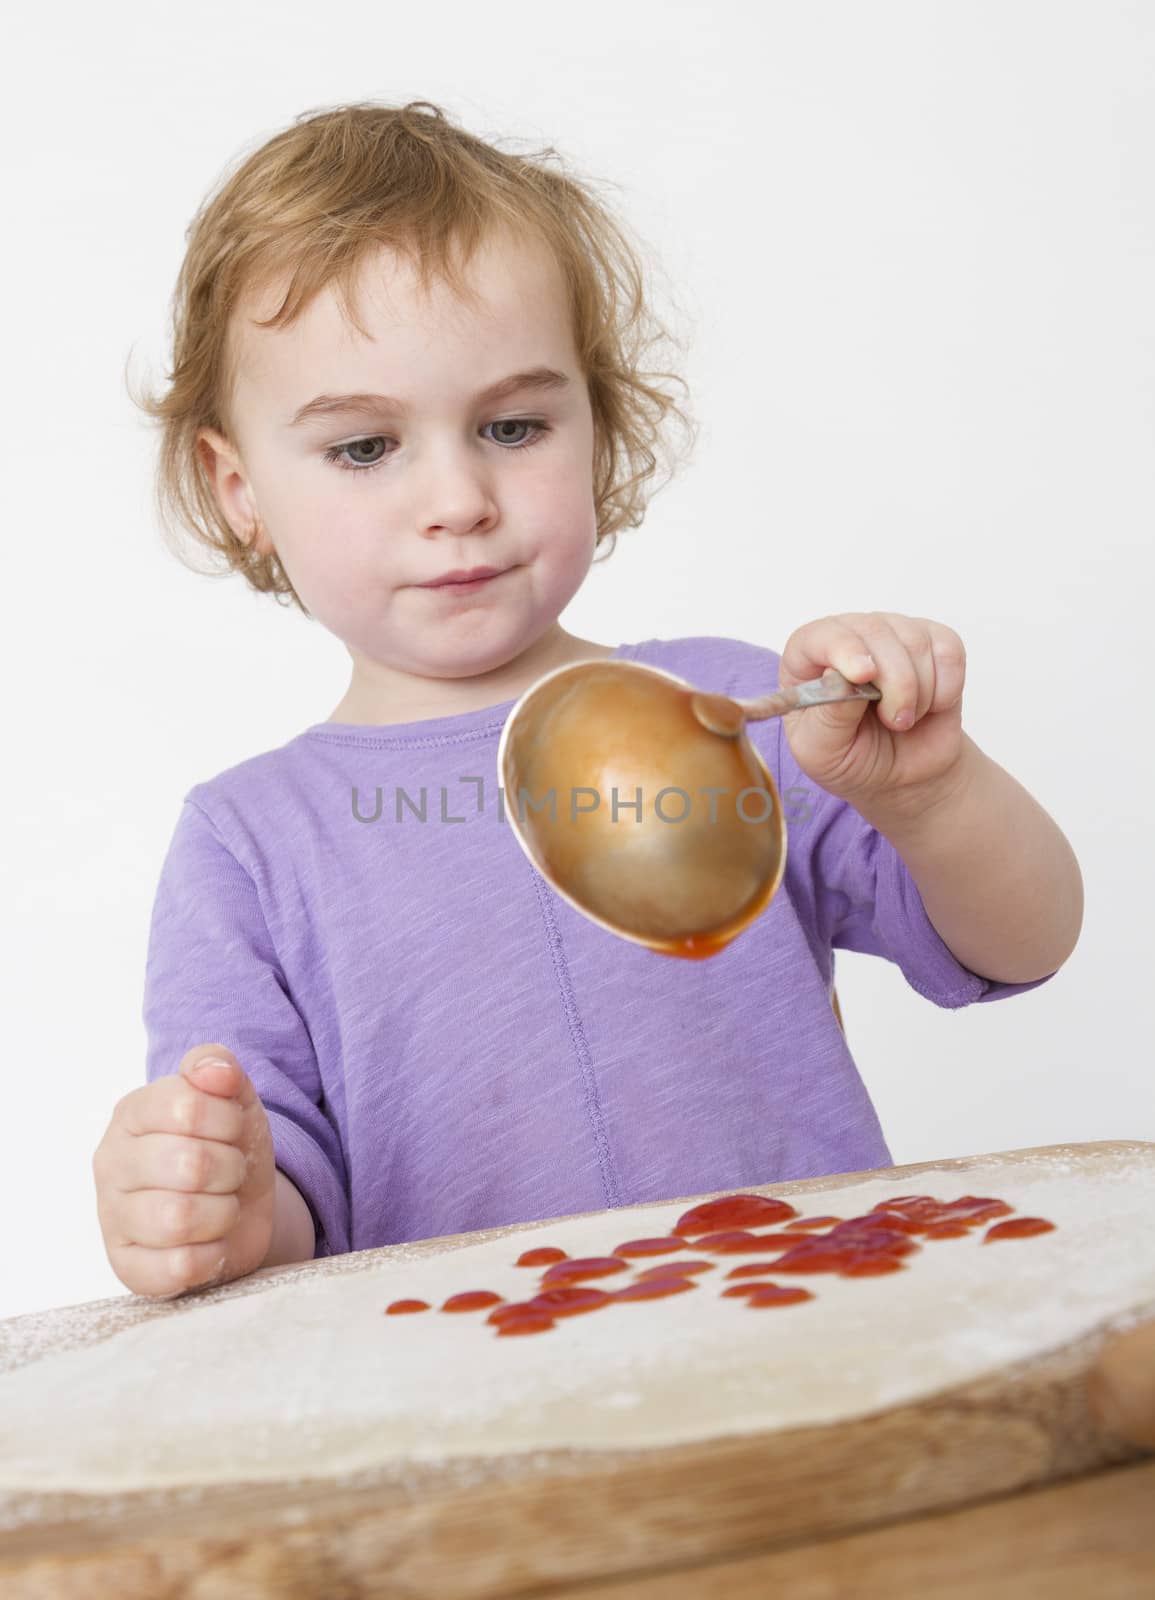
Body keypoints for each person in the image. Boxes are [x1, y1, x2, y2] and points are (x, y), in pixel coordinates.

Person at [92, 100, 1083, 1304]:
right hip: (479, 1418)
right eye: (364, 447)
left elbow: (1021, 946)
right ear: (238, 486)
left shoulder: (735, 710)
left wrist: (931, 792)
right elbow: (281, 1211)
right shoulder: (249, 846)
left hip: (819, 1343)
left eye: (513, 426)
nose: (457, 497)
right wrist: (225, 1200)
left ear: (598, 427)